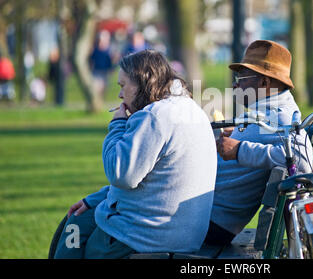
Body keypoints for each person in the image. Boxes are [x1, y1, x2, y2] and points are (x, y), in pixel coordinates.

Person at [54, 49, 217, 258]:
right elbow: (154, 179)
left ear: (143, 81)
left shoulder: (155, 116)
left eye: (123, 86)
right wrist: (94, 199)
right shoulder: (191, 109)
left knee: (73, 230)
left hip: (146, 237)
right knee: (77, 220)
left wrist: (118, 124)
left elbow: (121, 175)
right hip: (180, 233)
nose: (120, 95)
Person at [204, 40, 313, 245]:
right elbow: (264, 135)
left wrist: (240, 150)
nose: (235, 84)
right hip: (207, 214)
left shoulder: (280, 115)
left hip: (211, 221)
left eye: (242, 78)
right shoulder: (268, 111)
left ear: (264, 82)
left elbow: (300, 159)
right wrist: (237, 131)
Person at [89, 30, 114, 98]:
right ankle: (97, 99)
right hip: (97, 70)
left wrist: (111, 68)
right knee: (97, 86)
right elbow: (91, 60)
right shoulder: (95, 49)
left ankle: (101, 100)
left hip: (105, 71)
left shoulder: (109, 50)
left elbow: (111, 61)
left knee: (104, 86)